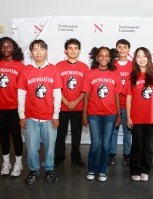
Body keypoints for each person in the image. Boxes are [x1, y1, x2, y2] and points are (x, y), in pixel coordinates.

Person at [18, 39, 62, 184]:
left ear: (46, 51)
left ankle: (49, 169)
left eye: (41, 49)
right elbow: (21, 94)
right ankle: (33, 170)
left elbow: (57, 94)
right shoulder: (25, 70)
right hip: (31, 117)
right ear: (31, 52)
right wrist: (21, 115)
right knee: (31, 147)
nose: (38, 52)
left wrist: (56, 115)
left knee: (50, 147)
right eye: (35, 49)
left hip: (49, 117)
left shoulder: (54, 69)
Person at [82, 47, 122, 182]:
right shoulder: (90, 74)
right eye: (101, 55)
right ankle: (92, 168)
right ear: (96, 57)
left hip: (110, 114)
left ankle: (102, 170)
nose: (104, 58)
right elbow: (86, 95)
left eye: (106, 56)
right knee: (95, 143)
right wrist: (84, 114)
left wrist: (119, 114)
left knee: (106, 144)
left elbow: (117, 96)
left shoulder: (115, 73)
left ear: (110, 58)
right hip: (93, 113)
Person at [125, 47, 153, 182]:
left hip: (151, 117)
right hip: (136, 117)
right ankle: (135, 169)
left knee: (148, 145)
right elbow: (128, 98)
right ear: (135, 59)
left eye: (144, 56)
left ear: (148, 58)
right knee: (137, 145)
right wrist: (128, 117)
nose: (141, 59)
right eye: (138, 56)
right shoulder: (132, 76)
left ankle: (145, 169)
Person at [0, 37, 25, 177]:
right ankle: (6, 162)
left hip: (14, 107)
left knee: (16, 135)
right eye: (3, 46)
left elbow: (23, 89)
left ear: (14, 48)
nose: (6, 49)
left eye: (9, 46)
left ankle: (18, 163)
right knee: (3, 135)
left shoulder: (20, 66)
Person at [54, 38, 89, 168]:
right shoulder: (58, 66)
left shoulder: (84, 67)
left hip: (78, 107)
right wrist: (65, 101)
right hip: (62, 106)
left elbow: (86, 90)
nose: (73, 50)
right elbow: (56, 87)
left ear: (79, 51)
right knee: (60, 134)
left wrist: (75, 101)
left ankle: (76, 157)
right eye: (70, 48)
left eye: (75, 48)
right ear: (66, 51)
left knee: (76, 134)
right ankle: (59, 157)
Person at [108, 39, 133, 166]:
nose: (122, 49)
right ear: (116, 49)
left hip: (129, 105)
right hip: (114, 105)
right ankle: (112, 154)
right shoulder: (111, 65)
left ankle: (127, 155)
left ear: (129, 50)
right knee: (113, 131)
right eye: (119, 47)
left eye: (125, 47)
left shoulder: (134, 65)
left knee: (128, 132)